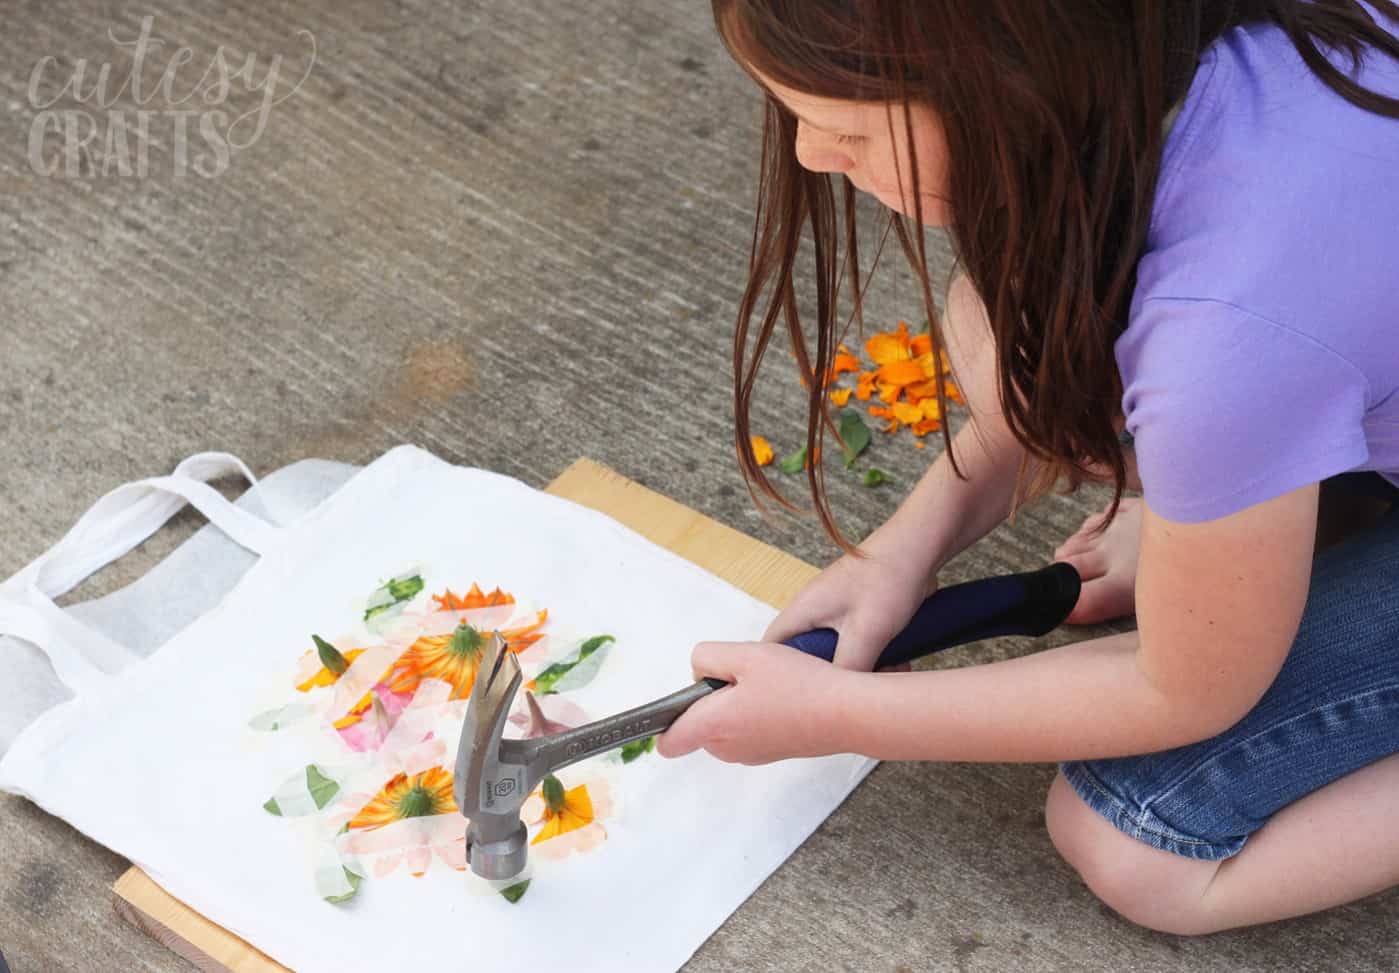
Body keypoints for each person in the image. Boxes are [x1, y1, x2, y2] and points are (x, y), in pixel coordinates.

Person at [655, 1, 1399, 935]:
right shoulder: (1173, 45)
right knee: (1015, 321)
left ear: (1012, 89)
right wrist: (903, 547)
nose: (810, 155)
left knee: (1132, 841)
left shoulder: (1223, 336)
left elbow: (1183, 688)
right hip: (1287, 343)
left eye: (846, 128)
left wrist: (840, 714)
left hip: (1256, 350)